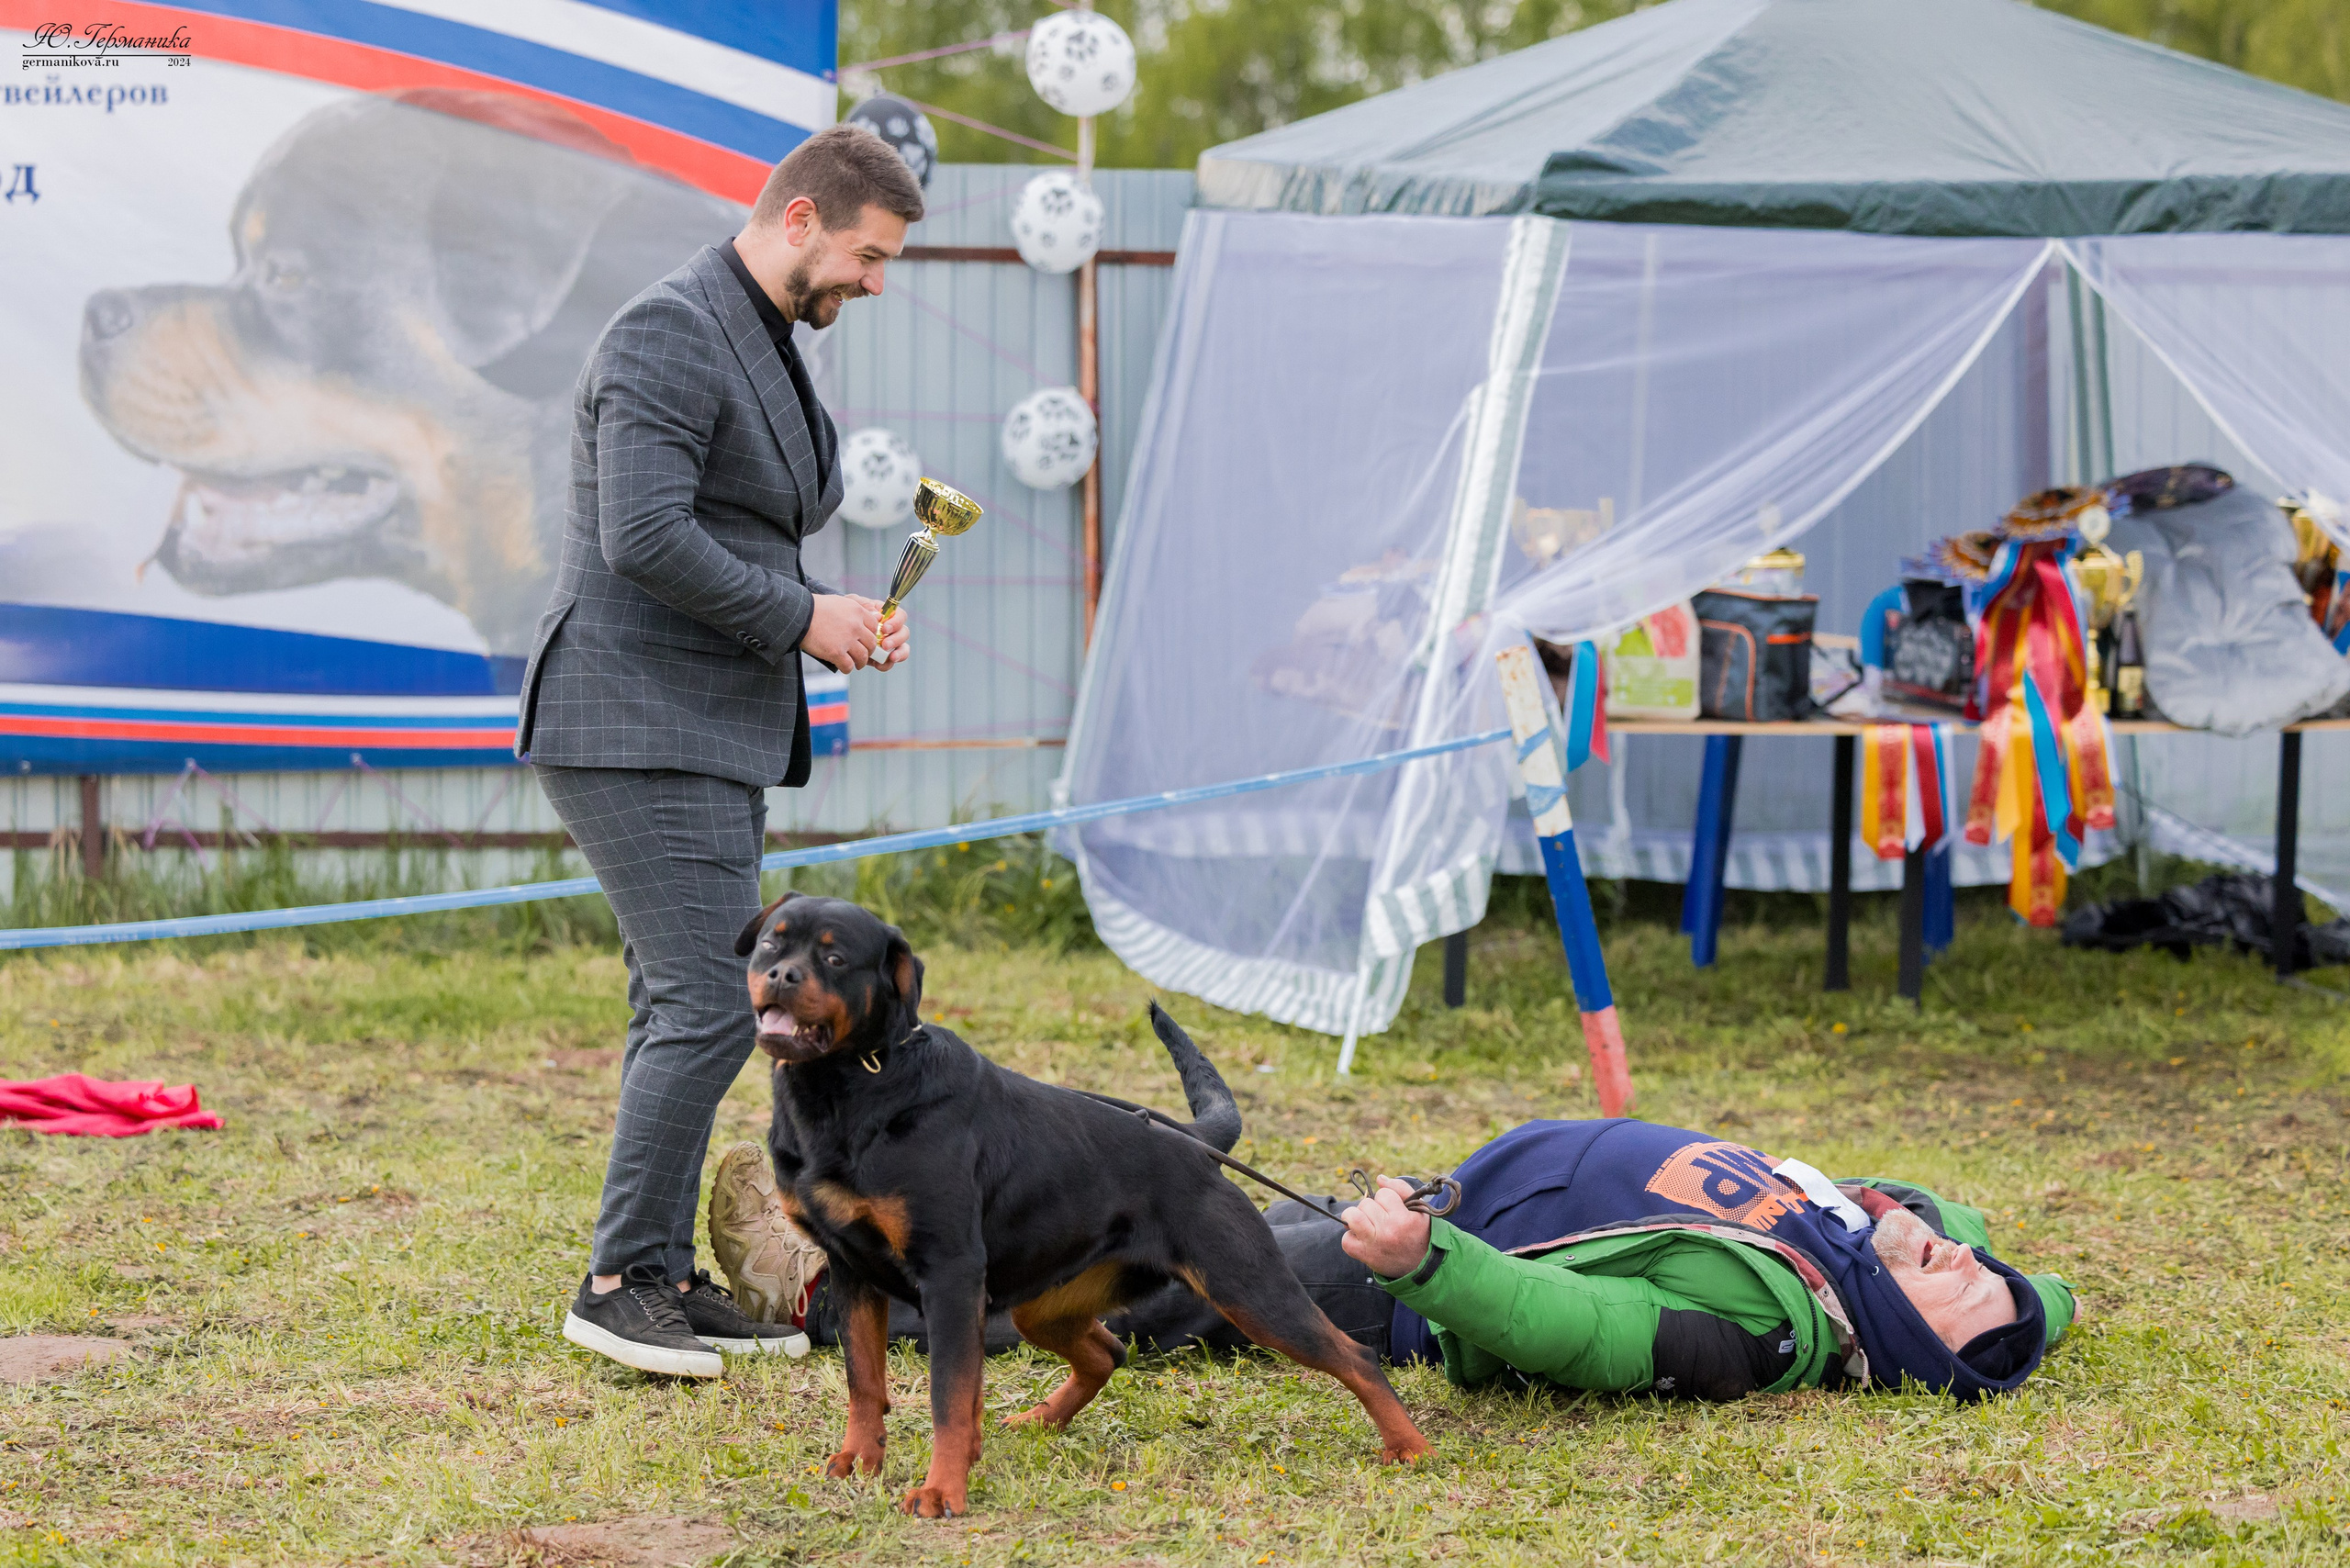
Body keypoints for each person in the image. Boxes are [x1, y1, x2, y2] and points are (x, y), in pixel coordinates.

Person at [517, 123, 926, 1380]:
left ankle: (655, 1271)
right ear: (799, 218)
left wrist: (830, 615)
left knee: (681, 1002)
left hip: (700, 721)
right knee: (709, 1003)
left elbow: (729, 528)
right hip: (631, 716)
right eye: (867, 255)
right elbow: (641, 535)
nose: (873, 282)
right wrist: (807, 616)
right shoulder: (669, 329)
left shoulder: (758, 335)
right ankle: (612, 1286)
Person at [1093, 1118, 2074, 1404]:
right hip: (1476, 1191)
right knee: (1214, 1216)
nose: (1964, 1256)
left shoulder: (1760, 1335)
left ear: (1909, 1341)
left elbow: (1573, 1327)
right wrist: (1996, 1278)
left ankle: (952, 1306)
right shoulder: (1853, 1243)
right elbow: (2021, 1282)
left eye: (1962, 1286)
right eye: (1982, 1260)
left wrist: (1425, 1264)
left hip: (1398, 1286)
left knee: (1145, 1280)